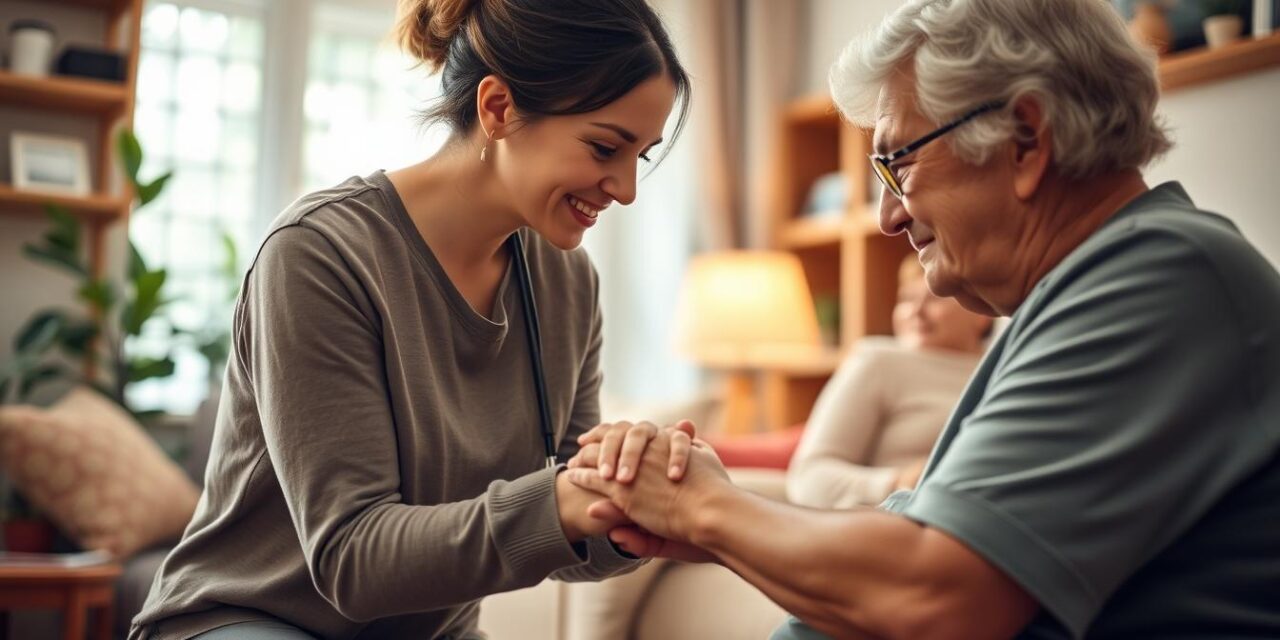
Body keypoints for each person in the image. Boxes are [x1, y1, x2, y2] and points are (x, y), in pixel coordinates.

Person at [566, 0, 1280, 637]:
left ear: (1026, 139)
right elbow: (925, 549)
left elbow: (938, 597)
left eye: (896, 164)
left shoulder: (1160, 275)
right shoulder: (1094, 288)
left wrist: (701, 510)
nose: (888, 217)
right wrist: (725, 511)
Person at [128, 0, 694, 637]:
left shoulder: (568, 283)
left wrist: (622, 494)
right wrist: (566, 498)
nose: (625, 188)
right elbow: (353, 559)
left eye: (639, 156)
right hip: (250, 620)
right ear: (499, 108)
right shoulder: (320, 255)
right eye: (603, 147)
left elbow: (567, 539)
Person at [788, 255, 991, 509]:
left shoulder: (1002, 366)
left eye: (934, 298)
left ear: (983, 313)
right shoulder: (878, 361)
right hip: (893, 518)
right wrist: (897, 483)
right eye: (906, 299)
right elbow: (809, 476)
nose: (916, 311)